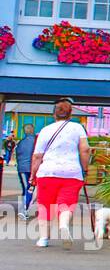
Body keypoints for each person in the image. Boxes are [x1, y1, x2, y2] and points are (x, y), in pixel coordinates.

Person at [30, 99, 91, 248]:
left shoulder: (45, 130)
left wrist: (33, 174)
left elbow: (37, 156)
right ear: (70, 114)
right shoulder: (78, 128)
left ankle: (43, 238)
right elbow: (85, 149)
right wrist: (85, 168)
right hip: (71, 172)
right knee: (66, 202)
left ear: (54, 114)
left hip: (47, 172)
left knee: (45, 204)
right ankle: (63, 225)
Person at [14, 123, 37, 218]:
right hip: (33, 169)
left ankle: (23, 209)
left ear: (24, 131)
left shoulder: (21, 142)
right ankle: (25, 209)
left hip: (22, 168)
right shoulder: (37, 142)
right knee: (30, 189)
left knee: (25, 188)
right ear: (32, 130)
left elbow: (17, 155)